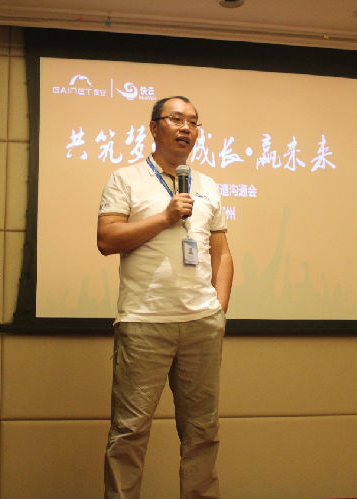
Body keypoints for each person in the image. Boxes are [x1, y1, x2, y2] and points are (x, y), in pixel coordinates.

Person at [97, 96, 234, 499]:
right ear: (155, 127)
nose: (186, 128)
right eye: (176, 119)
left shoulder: (207, 185)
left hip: (201, 325)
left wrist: (218, 309)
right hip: (144, 323)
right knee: (129, 432)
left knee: (203, 431)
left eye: (193, 122)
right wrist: (165, 217)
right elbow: (107, 239)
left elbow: (222, 254)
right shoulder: (126, 179)